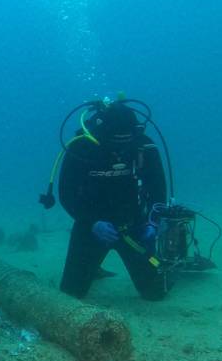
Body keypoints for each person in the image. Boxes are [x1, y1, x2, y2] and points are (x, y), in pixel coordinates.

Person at [42, 97, 170, 300]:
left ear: (135, 132)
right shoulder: (81, 147)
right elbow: (67, 194)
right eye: (115, 140)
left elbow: (157, 188)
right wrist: (91, 222)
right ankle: (92, 268)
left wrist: (153, 222)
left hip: (134, 224)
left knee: (155, 292)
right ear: (101, 133)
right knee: (71, 294)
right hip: (90, 225)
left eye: (127, 139)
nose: (120, 148)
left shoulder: (144, 147)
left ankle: (96, 267)